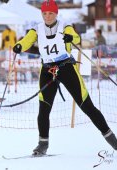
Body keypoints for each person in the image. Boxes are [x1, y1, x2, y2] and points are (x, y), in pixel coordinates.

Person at [12, 0, 117, 155]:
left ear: (56, 13)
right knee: (43, 109)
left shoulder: (64, 27)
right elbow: (27, 40)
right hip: (47, 70)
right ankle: (42, 145)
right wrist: (20, 45)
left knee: (87, 106)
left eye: (51, 13)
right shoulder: (37, 29)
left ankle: (113, 141)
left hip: (66, 68)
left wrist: (70, 38)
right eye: (45, 13)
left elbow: (75, 37)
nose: (47, 17)